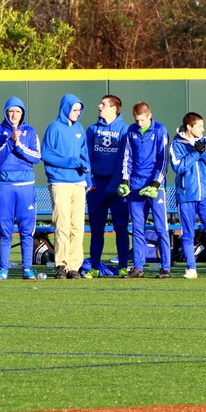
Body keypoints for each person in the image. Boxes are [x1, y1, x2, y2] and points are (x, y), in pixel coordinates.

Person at [0, 97, 42, 280]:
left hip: (25, 187)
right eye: (11, 111)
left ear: (22, 114)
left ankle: (27, 268)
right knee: (5, 230)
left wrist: (19, 145)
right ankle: (3, 268)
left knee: (26, 230)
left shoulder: (30, 131)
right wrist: (12, 141)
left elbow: (36, 157)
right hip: (4, 186)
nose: (14, 115)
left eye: (18, 111)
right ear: (6, 112)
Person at [119, 102, 172, 279]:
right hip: (135, 185)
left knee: (161, 228)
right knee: (137, 228)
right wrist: (125, 181)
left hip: (154, 187)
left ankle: (165, 267)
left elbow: (163, 160)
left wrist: (156, 184)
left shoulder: (160, 130)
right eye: (137, 120)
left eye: (142, 120)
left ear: (149, 115)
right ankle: (138, 267)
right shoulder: (131, 131)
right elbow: (127, 157)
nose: (139, 123)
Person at [41, 94, 90, 279]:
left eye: (79, 110)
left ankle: (74, 267)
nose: (77, 113)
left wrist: (88, 177)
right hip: (60, 182)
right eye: (74, 109)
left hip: (79, 183)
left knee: (77, 227)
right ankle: (61, 265)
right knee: (62, 225)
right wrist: (71, 162)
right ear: (66, 108)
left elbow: (84, 155)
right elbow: (46, 155)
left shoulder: (79, 129)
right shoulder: (54, 128)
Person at [170, 112, 206, 279]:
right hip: (186, 196)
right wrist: (195, 153)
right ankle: (191, 268)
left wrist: (204, 151)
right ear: (189, 127)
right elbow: (178, 167)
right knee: (187, 234)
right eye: (199, 126)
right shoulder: (176, 144)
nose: (203, 129)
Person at [85, 94, 130, 277]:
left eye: (103, 104)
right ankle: (95, 267)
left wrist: (115, 185)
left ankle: (123, 266)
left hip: (117, 186)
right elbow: (86, 157)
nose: (99, 106)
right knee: (96, 229)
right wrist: (90, 182)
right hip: (97, 185)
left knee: (120, 228)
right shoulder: (92, 130)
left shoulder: (125, 130)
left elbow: (124, 160)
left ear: (114, 108)